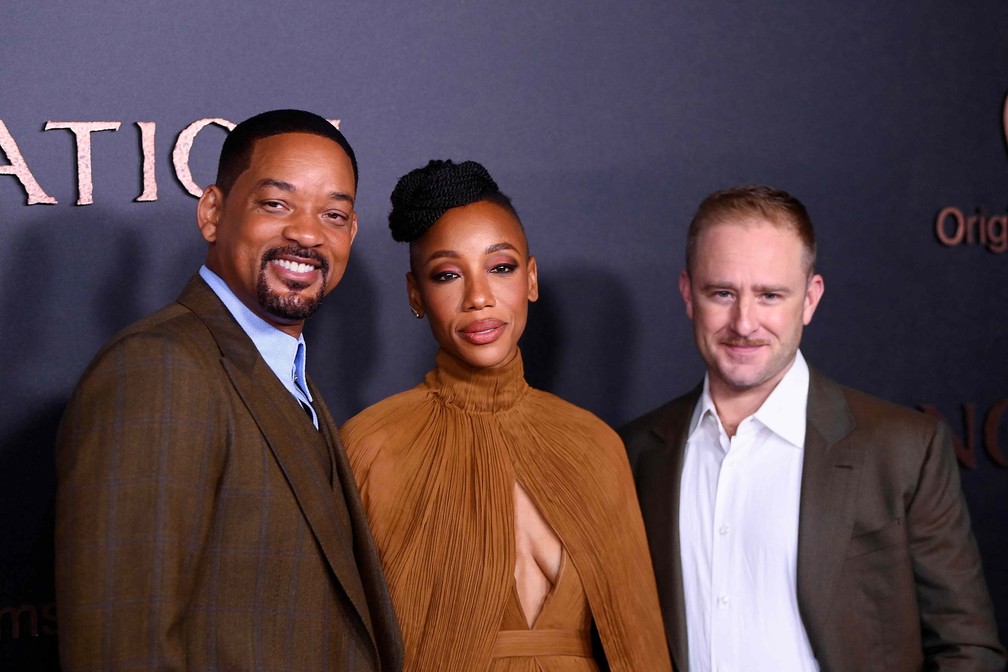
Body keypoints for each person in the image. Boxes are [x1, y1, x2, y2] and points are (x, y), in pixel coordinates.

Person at [55, 109, 403, 672]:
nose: (308, 233)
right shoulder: (161, 368)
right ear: (213, 212)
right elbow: (121, 646)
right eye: (276, 204)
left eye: (333, 214)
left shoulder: (286, 375)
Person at [620, 184, 1006, 671]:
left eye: (770, 295)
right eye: (722, 293)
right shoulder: (634, 454)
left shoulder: (904, 449)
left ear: (809, 299)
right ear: (687, 295)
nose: (744, 322)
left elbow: (965, 649)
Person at [339, 160, 672, 671]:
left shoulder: (595, 445)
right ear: (415, 295)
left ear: (531, 279)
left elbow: (639, 644)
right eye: (448, 275)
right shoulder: (371, 447)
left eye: (500, 267)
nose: (478, 297)